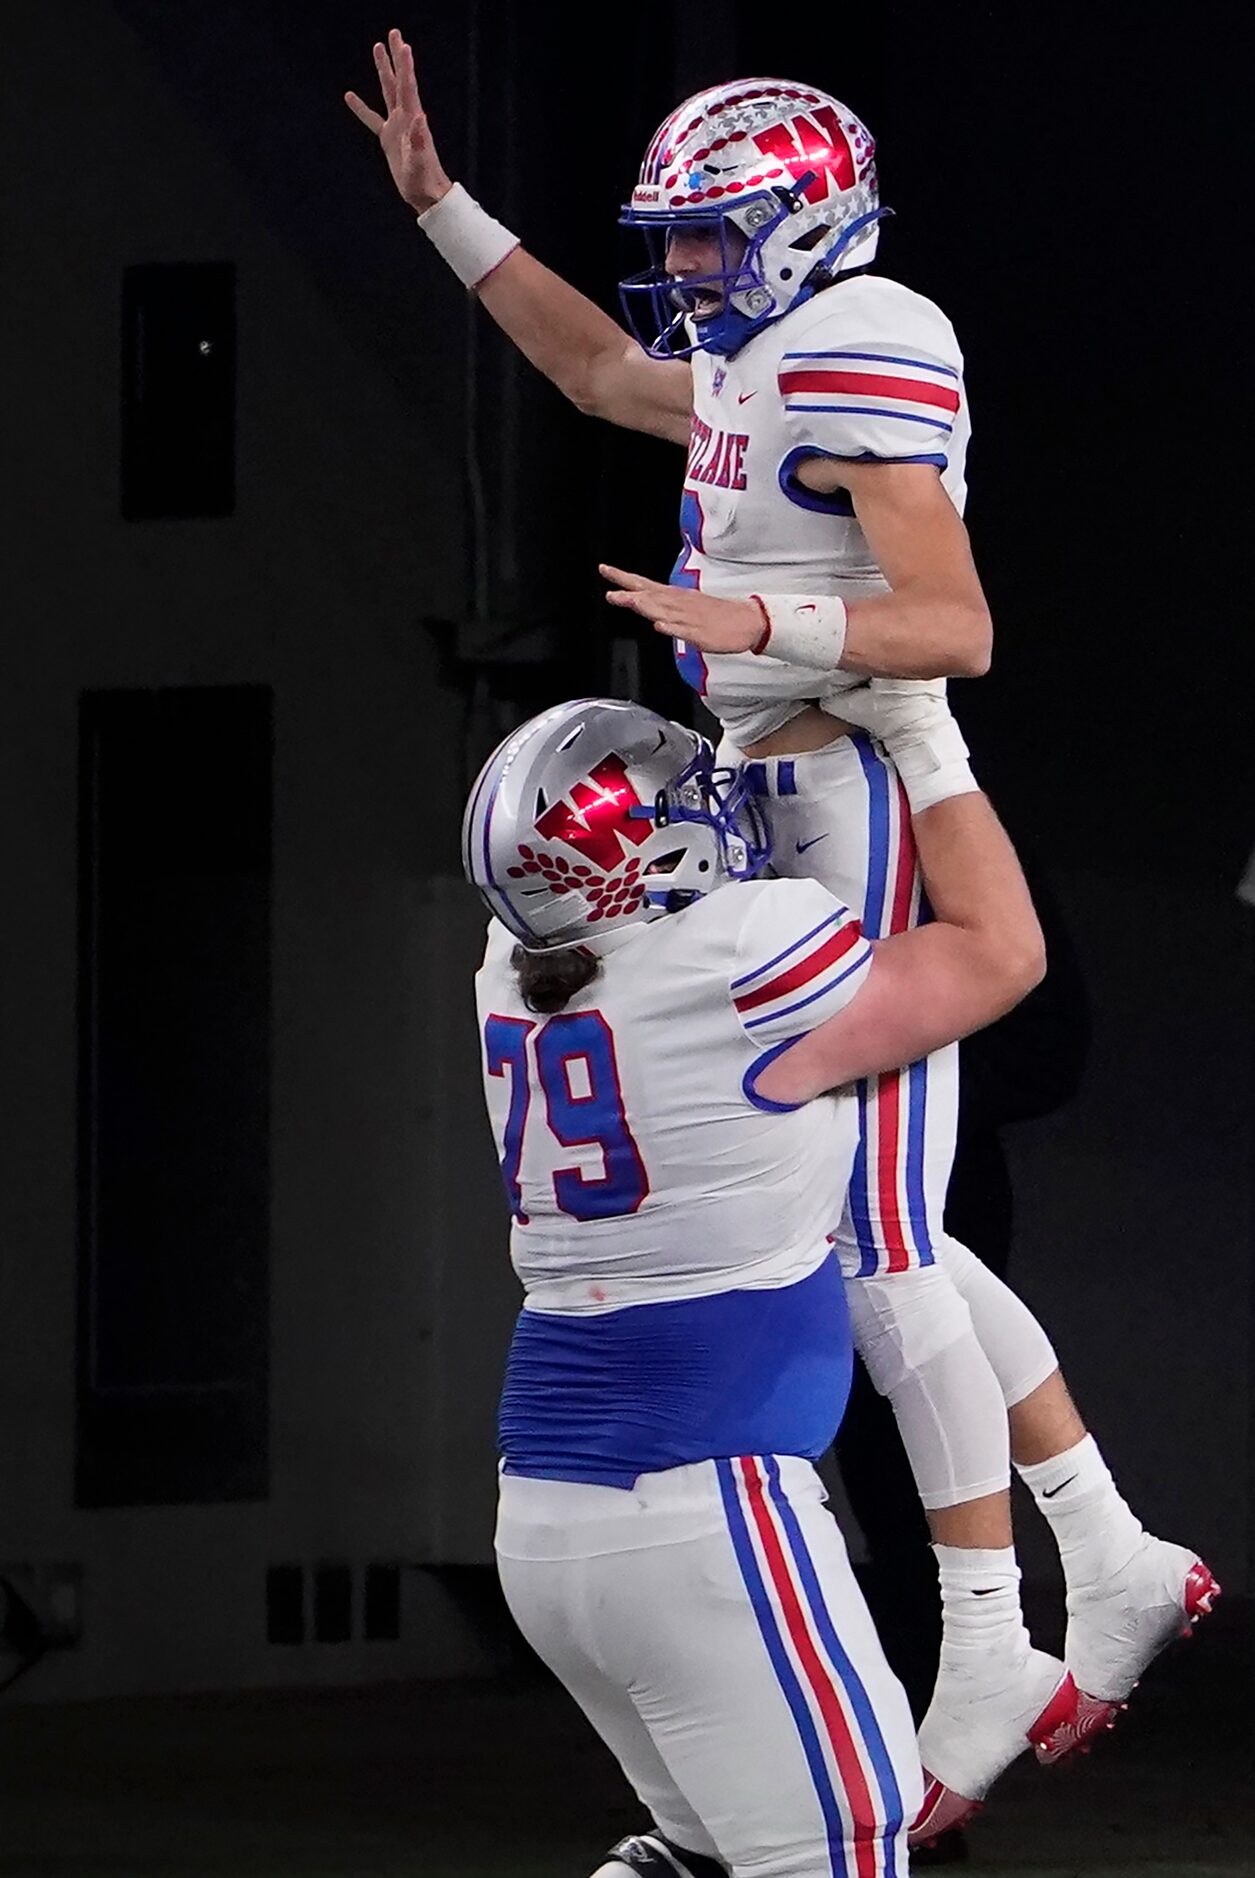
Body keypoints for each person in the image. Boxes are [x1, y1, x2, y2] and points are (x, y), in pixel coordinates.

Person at [346, 39, 1217, 1837]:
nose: (687, 276)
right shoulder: (764, 347)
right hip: (777, 777)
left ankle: (1005, 1619)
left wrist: (746, 612)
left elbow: (955, 621)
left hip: (861, 788)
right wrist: (443, 209)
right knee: (860, 1227)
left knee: (878, 1239)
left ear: (818, 223)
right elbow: (593, 369)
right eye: (677, 242)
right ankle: (1099, 1546)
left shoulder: (864, 329)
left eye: (713, 240)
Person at [462, 690, 1046, 1878]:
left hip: (547, 1518)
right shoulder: (743, 948)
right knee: (848, 1853)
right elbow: (1000, 953)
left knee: (696, 1853)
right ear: (635, 857)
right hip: (703, 1502)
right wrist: (925, 737)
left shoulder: (503, 967)